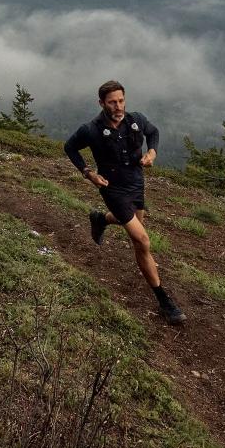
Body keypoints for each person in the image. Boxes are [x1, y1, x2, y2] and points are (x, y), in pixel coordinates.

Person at [64, 80, 186, 325]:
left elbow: (153, 133)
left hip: (136, 183)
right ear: (102, 103)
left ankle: (100, 219)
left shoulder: (136, 119)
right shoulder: (91, 130)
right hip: (113, 188)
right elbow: (70, 147)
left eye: (121, 100)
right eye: (112, 102)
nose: (118, 106)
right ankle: (164, 301)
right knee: (142, 240)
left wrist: (152, 152)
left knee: (134, 226)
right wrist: (88, 173)